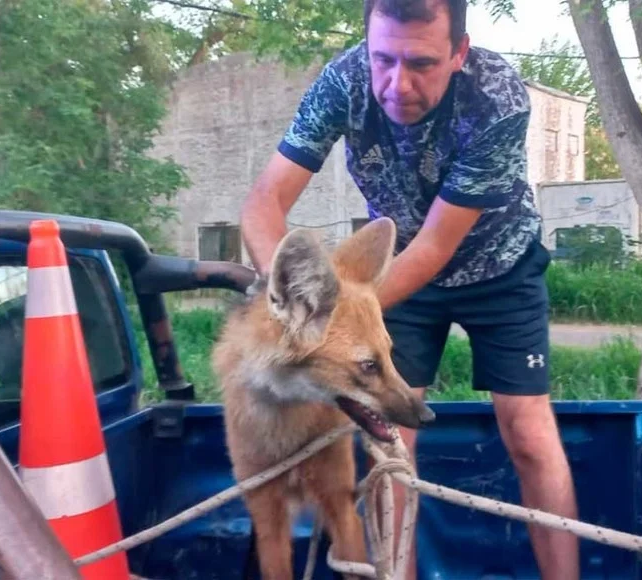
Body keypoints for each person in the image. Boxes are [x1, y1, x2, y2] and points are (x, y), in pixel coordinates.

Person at [238, 0, 580, 578]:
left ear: (458, 54)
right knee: (388, 439)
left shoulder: (497, 97)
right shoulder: (343, 81)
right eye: (384, 59)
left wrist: (337, 318)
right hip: (396, 275)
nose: (397, 84)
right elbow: (265, 202)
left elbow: (434, 247)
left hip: (497, 267)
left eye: (421, 63)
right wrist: (297, 306)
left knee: (526, 430)